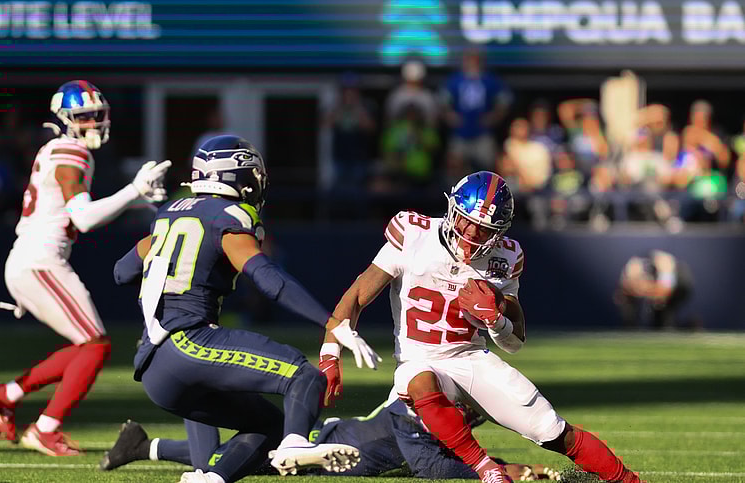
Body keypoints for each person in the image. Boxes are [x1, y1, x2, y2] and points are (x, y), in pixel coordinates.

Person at [320, 171, 642, 483]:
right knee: (416, 379)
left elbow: (515, 341)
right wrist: (330, 350)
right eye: (467, 222)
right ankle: (486, 468)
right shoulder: (413, 235)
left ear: (499, 232)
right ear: (452, 211)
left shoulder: (505, 258)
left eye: (484, 230)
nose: (471, 235)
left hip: (470, 358)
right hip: (419, 358)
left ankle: (629, 480)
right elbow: (358, 294)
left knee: (553, 431)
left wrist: (497, 319)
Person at [111, 135, 382, 483]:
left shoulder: (167, 215)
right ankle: (296, 446)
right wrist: (331, 322)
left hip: (154, 369)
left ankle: (209, 479)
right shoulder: (228, 216)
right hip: (189, 341)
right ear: (233, 176)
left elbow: (122, 272)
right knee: (304, 375)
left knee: (269, 425)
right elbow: (269, 279)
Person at [0, 80, 173, 456]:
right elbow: (84, 218)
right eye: (85, 116)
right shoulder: (71, 151)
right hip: (40, 261)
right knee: (95, 346)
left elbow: (72, 209)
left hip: (34, 259)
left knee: (88, 344)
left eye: (98, 114)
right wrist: (134, 191)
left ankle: (9, 393)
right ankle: (45, 429)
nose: (95, 122)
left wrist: (136, 202)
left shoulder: (61, 149)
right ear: (64, 119)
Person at [100, 397, 562, 481]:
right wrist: (502, 471)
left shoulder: (432, 406)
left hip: (339, 441)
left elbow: (453, 453)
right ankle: (142, 445)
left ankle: (142, 446)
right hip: (326, 446)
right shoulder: (416, 409)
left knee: (244, 457)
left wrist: (508, 465)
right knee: (242, 460)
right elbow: (432, 466)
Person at [614, 250, 695, 330]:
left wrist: (647, 291)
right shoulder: (633, 267)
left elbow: (666, 289)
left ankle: (690, 327)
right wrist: (637, 290)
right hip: (658, 286)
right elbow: (624, 290)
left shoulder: (664, 263)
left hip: (680, 284)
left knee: (663, 317)